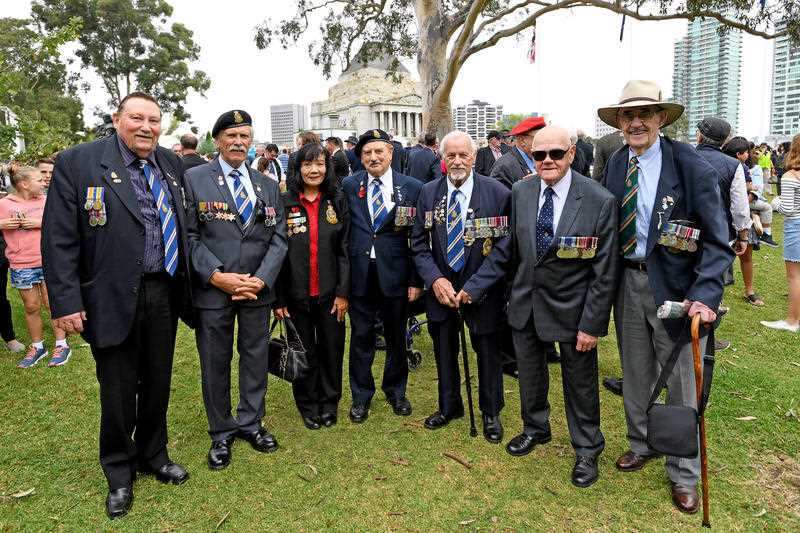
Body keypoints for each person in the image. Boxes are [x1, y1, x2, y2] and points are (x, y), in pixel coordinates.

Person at [42, 92, 195, 518]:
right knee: (117, 389)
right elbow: (58, 239)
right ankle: (119, 471)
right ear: (117, 118)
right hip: (109, 296)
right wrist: (66, 301)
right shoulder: (79, 162)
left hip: (163, 291)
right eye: (137, 118)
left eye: (154, 120)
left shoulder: (169, 162)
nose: (146, 127)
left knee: (158, 381)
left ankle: (154, 455)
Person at [598, 80, 733, 514]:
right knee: (635, 371)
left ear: (661, 119)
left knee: (681, 384)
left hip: (678, 289)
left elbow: (717, 238)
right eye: (627, 115)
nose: (636, 122)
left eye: (645, 114)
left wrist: (705, 294)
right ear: (619, 123)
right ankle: (642, 442)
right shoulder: (617, 163)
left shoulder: (690, 164)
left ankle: (683, 471)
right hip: (628, 283)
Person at [505, 126, 618, 487]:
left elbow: (605, 271)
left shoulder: (599, 199)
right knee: (530, 375)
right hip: (526, 304)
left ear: (571, 154)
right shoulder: (520, 192)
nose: (547, 161)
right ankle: (535, 427)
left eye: (555, 153)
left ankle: (587, 449)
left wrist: (592, 324)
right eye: (540, 155)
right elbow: (514, 253)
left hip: (575, 311)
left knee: (581, 384)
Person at [183, 110, 287, 470]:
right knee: (215, 360)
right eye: (231, 135)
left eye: (245, 135)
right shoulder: (194, 179)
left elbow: (278, 237)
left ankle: (251, 422)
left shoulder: (267, 183)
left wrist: (262, 278)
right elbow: (189, 236)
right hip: (214, 290)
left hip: (257, 290)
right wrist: (215, 275)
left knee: (255, 356)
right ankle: (221, 431)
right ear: (217, 140)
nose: (239, 142)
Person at [411, 130, 510, 443]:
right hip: (441, 289)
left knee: (488, 352)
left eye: (462, 155)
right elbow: (417, 243)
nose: (456, 161)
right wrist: (435, 279)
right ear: (442, 158)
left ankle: (491, 412)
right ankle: (449, 405)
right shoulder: (428, 193)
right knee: (443, 350)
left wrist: (477, 285)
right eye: (450, 155)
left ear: (473, 156)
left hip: (482, 291)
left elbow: (506, 247)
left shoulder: (497, 193)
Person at [341, 128, 423, 423]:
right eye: (367, 153)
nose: (373, 157)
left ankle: (396, 390)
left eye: (379, 151)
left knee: (396, 337)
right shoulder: (349, 186)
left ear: (390, 153)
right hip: (361, 275)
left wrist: (415, 280)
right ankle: (361, 396)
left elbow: (419, 238)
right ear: (360, 158)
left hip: (397, 276)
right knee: (361, 337)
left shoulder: (412, 188)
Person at [273, 143, 349, 429]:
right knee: (304, 354)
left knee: (331, 350)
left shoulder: (337, 201)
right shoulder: (284, 202)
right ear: (297, 168)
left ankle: (329, 404)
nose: (314, 170)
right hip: (295, 296)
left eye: (319, 163)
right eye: (307, 164)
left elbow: (345, 251)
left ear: (327, 167)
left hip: (331, 297)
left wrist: (343, 293)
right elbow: (277, 253)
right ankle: (308, 405)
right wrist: (278, 299)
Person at [0, 166, 71, 368]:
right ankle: (38, 346)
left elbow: (61, 223)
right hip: (21, 264)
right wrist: (3, 223)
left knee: (52, 303)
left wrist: (39, 222)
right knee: (31, 306)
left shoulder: (47, 201)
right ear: (24, 184)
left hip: (49, 261)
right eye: (39, 180)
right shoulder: (4, 204)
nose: (44, 182)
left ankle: (61, 344)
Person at [722, 136, 767, 306]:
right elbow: (745, 193)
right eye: (747, 152)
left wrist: (751, 193)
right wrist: (750, 192)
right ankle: (747, 291)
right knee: (736, 255)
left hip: (739, 217)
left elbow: (747, 193)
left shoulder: (744, 168)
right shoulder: (733, 166)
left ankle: (749, 290)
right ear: (740, 154)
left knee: (745, 254)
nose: (748, 154)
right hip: (729, 217)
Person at [761, 134, 800, 333]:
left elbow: (788, 209)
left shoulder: (790, 177)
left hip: (795, 225)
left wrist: (775, 202)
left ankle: (793, 321)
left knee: (794, 277)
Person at [490, 117, 546, 190]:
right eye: (540, 138)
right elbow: (499, 199)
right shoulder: (503, 167)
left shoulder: (542, 159)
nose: (545, 142)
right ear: (522, 141)